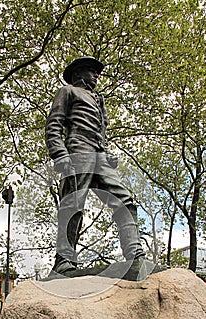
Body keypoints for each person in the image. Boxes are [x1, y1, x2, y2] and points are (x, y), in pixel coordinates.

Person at [45, 56, 146, 274]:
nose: (96, 76)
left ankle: (135, 253)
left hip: (100, 156)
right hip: (77, 151)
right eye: (92, 71)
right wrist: (59, 153)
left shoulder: (99, 100)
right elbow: (54, 124)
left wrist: (107, 152)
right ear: (79, 73)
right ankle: (64, 260)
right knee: (73, 205)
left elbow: (102, 131)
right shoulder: (68, 91)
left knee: (124, 200)